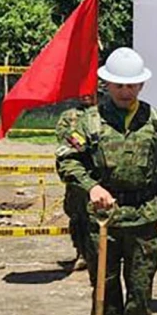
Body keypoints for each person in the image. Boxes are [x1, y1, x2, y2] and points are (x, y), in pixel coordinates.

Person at [56, 47, 157, 315]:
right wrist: (92, 187)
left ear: (140, 85)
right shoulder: (89, 121)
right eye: (119, 85)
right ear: (107, 84)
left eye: (131, 85)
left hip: (143, 220)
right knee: (104, 284)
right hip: (103, 221)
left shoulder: (156, 121)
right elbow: (67, 160)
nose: (125, 91)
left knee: (140, 287)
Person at [55, 92, 98, 272]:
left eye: (90, 91)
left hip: (99, 175)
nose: (85, 95)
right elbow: (66, 140)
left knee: (99, 216)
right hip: (78, 177)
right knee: (77, 217)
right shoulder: (68, 117)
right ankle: (81, 253)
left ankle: (98, 254)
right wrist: (87, 142)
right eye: (81, 92)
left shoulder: (106, 113)